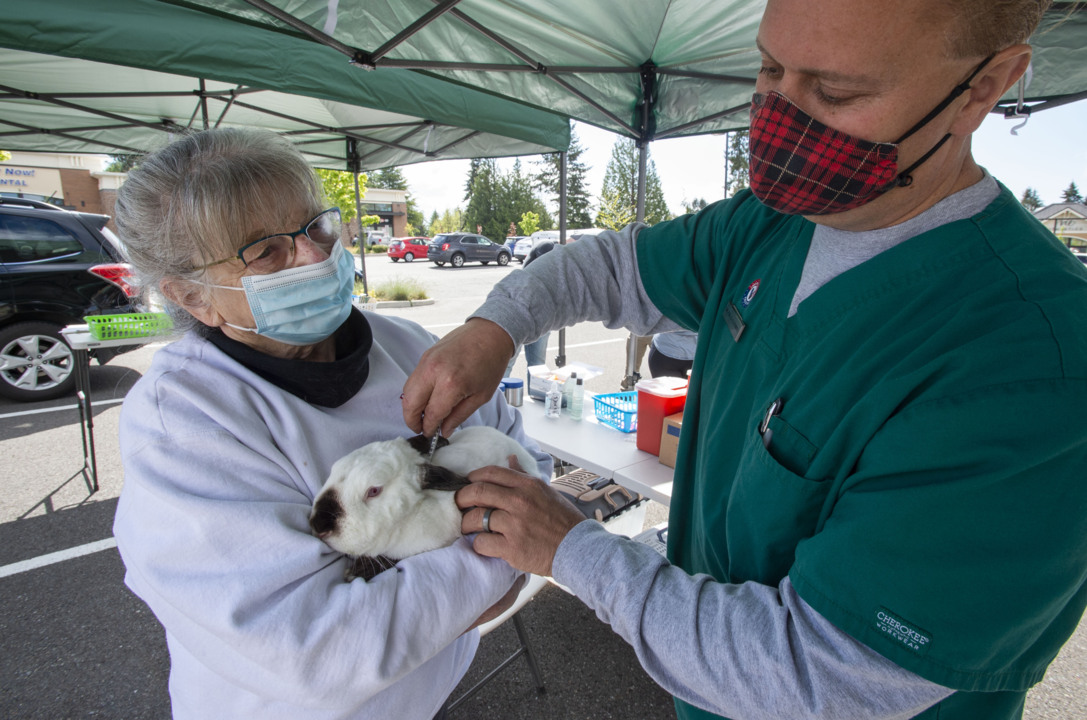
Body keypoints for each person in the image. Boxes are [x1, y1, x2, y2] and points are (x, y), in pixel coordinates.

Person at [402, 2, 1087, 719]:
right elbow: (612, 267)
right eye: (767, 69)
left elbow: (819, 673)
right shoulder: (768, 227)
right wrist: (493, 327)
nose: (777, 116)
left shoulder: (1030, 360)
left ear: (986, 86)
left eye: (837, 91)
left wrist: (572, 549)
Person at [110, 128, 552, 720]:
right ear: (193, 297)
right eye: (265, 250)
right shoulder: (183, 422)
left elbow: (527, 468)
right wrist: (508, 557)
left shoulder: (408, 346)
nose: (316, 255)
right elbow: (320, 655)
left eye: (316, 226)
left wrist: (447, 589)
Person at [504, 241, 556, 377]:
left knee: (537, 366)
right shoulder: (547, 249)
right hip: (519, 316)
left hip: (541, 316)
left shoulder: (551, 255)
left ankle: (536, 394)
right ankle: (497, 396)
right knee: (507, 364)